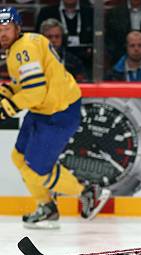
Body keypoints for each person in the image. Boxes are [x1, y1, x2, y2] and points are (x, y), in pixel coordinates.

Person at [0, 7, 110, 229]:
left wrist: (6, 108)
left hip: (58, 112)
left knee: (36, 170)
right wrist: (6, 95)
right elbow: (24, 85)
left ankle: (88, 192)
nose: (2, 34)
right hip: (44, 109)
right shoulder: (25, 43)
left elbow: (34, 92)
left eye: (7, 29)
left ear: (18, 28)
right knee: (18, 157)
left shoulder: (23, 50)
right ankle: (47, 208)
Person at [35, 0, 93, 76]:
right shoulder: (46, 12)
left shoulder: (90, 12)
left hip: (84, 62)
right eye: (50, 37)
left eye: (57, 36)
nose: (53, 40)